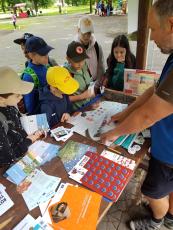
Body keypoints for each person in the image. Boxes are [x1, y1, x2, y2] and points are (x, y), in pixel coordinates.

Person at [101, 0, 173, 229]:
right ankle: (169, 215)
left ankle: (156, 222)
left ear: (170, 24)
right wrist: (125, 112)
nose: (151, 37)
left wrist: (112, 134)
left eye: (153, 28)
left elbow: (147, 117)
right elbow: (155, 91)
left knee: (151, 190)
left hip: (169, 153)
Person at [0, 66, 44, 166]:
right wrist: (28, 140)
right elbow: (7, 157)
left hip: (25, 147)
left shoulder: (9, 105)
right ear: (1, 98)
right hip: (11, 163)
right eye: (17, 95)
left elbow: (19, 125)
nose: (21, 97)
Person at [22, 36, 54, 114]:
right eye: (43, 54)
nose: (46, 56)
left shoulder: (46, 65)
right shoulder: (28, 77)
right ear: (31, 55)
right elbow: (30, 107)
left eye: (47, 52)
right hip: (43, 115)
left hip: (54, 108)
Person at [64, 41, 95, 111]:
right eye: (76, 61)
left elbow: (90, 82)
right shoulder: (65, 73)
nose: (80, 64)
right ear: (68, 59)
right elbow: (62, 99)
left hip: (89, 106)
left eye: (82, 60)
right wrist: (82, 96)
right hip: (76, 112)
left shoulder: (85, 66)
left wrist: (93, 96)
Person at [74, 15, 105, 85]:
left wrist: (99, 83)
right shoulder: (73, 48)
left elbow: (101, 66)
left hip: (96, 84)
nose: (87, 36)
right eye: (84, 33)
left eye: (89, 33)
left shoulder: (96, 46)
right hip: (81, 87)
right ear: (78, 30)